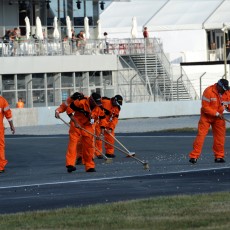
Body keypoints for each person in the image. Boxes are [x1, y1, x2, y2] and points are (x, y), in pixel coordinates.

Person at [189, 79, 230, 164]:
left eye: (225, 89)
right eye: (223, 88)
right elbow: (205, 107)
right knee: (201, 135)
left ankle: (219, 156)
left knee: (220, 137)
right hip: (206, 117)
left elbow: (228, 105)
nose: (224, 91)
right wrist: (216, 114)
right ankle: (194, 156)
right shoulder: (208, 91)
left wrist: (227, 108)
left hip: (219, 118)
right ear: (218, 86)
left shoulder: (227, 92)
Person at [65, 92, 106, 173]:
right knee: (73, 144)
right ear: (91, 100)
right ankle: (70, 164)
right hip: (76, 124)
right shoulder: (81, 102)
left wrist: (101, 134)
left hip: (88, 126)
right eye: (95, 103)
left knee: (89, 147)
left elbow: (103, 121)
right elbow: (69, 111)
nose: (97, 105)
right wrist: (75, 122)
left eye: (98, 103)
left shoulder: (99, 107)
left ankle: (89, 166)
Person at [55, 92, 85, 165]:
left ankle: (85, 157)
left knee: (84, 141)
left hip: (86, 122)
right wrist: (57, 111)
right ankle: (78, 158)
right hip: (75, 122)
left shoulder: (85, 101)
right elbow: (63, 107)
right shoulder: (69, 100)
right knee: (74, 142)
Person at [0, 94, 15, 173]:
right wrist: (12, 126)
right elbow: (8, 115)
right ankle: (0, 167)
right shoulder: (2, 101)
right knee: (0, 147)